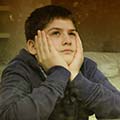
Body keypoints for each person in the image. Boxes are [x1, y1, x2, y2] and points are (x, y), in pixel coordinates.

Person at [0, 5, 120, 120]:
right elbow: (9, 116)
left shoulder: (85, 66)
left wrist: (75, 76)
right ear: (33, 46)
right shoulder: (20, 69)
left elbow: (117, 108)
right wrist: (59, 73)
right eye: (56, 33)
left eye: (71, 33)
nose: (67, 41)